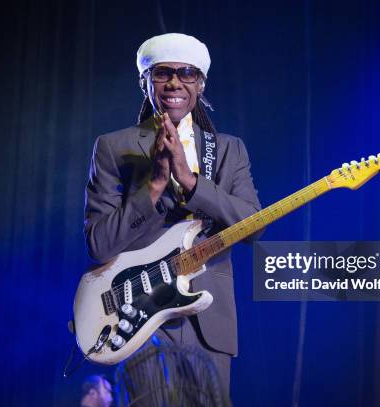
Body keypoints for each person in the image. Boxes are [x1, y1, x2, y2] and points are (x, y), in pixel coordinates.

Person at [84, 33, 262, 399]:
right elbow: (99, 244)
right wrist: (155, 186)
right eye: (163, 73)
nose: (175, 83)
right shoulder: (112, 147)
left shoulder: (229, 149)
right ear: (145, 82)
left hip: (209, 320)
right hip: (139, 320)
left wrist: (191, 182)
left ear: (201, 84)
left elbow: (253, 228)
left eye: (187, 73)